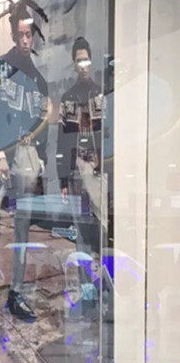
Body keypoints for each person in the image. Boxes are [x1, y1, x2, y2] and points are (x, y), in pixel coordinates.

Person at [0, 0, 51, 323]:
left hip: (28, 159)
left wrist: (41, 160)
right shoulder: (0, 65)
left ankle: (17, 294)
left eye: (29, 34)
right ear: (14, 34)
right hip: (3, 156)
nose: (25, 40)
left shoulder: (39, 79)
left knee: (22, 227)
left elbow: (43, 123)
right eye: (21, 34)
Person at [57, 36, 111, 319]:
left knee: (101, 229)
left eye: (86, 59)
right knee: (81, 234)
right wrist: (63, 178)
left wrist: (107, 169)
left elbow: (109, 135)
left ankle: (106, 287)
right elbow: (63, 140)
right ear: (74, 63)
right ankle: (87, 291)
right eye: (79, 60)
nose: (83, 64)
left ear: (91, 60)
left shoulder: (101, 94)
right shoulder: (68, 97)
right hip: (77, 171)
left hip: (98, 172)